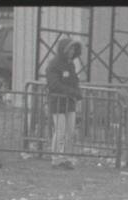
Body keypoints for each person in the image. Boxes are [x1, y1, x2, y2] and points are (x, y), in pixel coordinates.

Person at [45, 37, 83, 170]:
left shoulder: (70, 64)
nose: (72, 51)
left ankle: (66, 157)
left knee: (70, 132)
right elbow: (54, 84)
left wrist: (77, 91)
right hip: (57, 103)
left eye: (74, 49)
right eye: (70, 49)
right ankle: (56, 158)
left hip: (69, 102)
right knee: (60, 131)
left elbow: (74, 80)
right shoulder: (54, 65)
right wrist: (72, 92)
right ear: (64, 50)